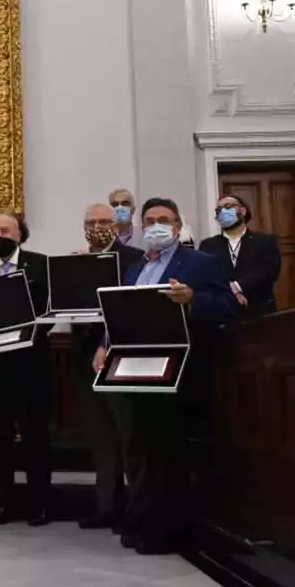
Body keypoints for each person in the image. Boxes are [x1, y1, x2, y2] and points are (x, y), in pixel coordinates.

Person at [91, 197, 236, 555]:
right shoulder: (135, 268)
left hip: (181, 372)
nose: (157, 225)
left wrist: (191, 300)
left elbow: (226, 307)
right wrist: (103, 345)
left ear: (177, 225)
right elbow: (123, 310)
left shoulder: (201, 263)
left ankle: (167, 530)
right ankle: (141, 520)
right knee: (141, 448)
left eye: (164, 220)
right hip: (137, 370)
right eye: (151, 219)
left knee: (170, 452)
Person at [0, 213, 52, 526]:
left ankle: (39, 502)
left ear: (20, 233)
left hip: (30, 364)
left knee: (34, 436)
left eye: (5, 229)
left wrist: (28, 333)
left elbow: (49, 310)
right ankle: (2, 502)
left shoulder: (39, 263)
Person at [73, 203, 145, 532]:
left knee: (127, 433)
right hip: (86, 357)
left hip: (121, 354)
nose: (98, 226)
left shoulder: (132, 258)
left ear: (115, 224)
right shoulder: (75, 262)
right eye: (92, 221)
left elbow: (131, 305)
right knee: (101, 436)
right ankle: (106, 507)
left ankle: (134, 509)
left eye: (104, 220)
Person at [199, 195, 282, 316]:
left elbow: (270, 271)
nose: (222, 211)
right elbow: (205, 276)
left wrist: (238, 286)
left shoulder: (265, 241)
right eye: (219, 210)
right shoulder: (208, 245)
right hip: (221, 313)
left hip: (259, 311)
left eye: (227, 207)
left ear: (242, 211)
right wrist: (230, 291)